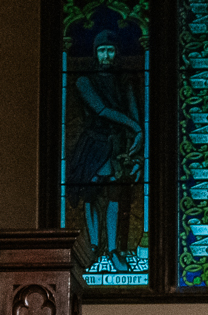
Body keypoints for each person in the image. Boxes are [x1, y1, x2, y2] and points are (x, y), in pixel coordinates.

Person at [68, 29, 143, 274]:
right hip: (92, 145)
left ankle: (112, 251)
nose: (106, 55)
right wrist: (134, 126)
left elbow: (133, 109)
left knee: (113, 196)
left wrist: (139, 134)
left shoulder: (124, 80)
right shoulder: (84, 80)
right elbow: (100, 109)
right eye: (101, 50)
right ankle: (92, 248)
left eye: (110, 50)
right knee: (90, 196)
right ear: (95, 53)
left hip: (117, 145)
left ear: (117, 53)